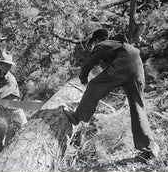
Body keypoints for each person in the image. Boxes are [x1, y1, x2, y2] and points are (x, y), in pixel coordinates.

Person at [63, 28, 159, 159]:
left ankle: (77, 117)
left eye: (94, 42)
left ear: (97, 40)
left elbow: (88, 63)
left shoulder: (102, 45)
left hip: (124, 65)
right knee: (138, 107)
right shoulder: (118, 45)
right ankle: (150, 147)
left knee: (94, 86)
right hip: (138, 67)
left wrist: (83, 78)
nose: (93, 44)